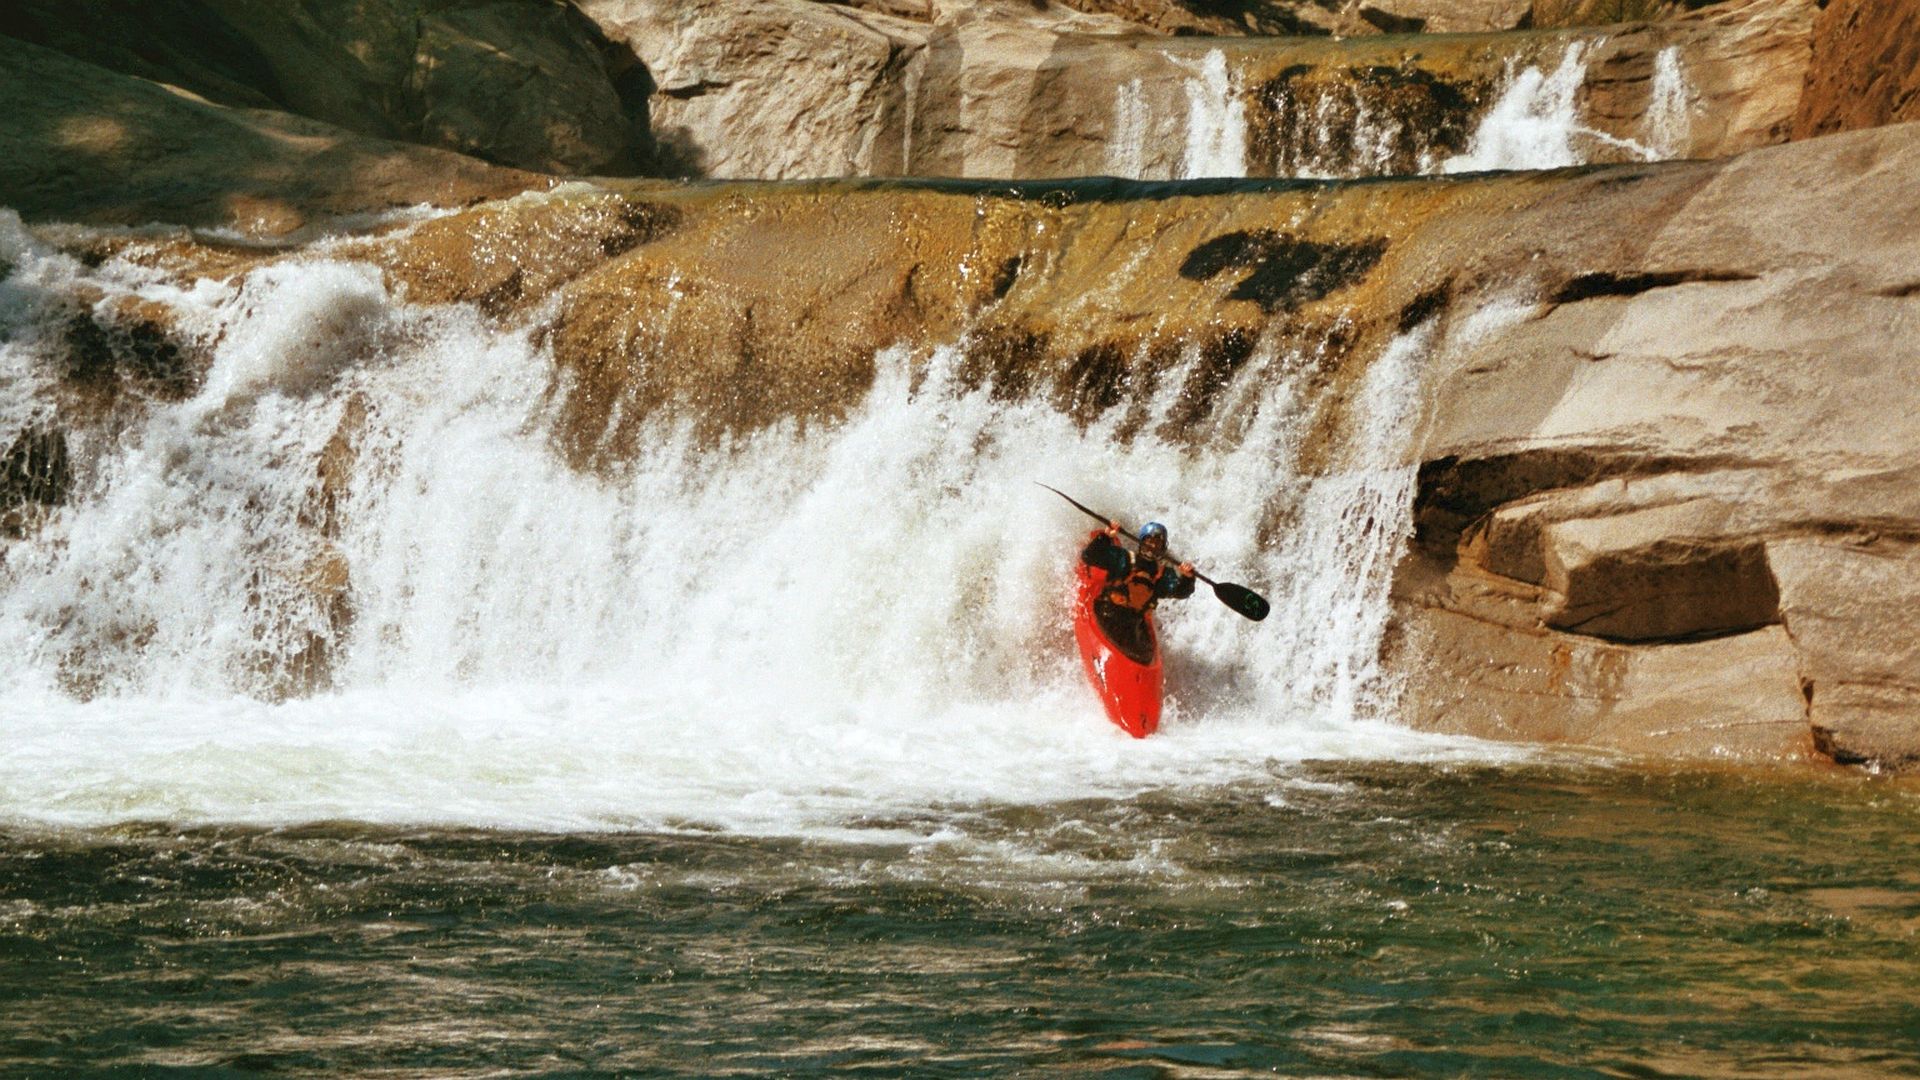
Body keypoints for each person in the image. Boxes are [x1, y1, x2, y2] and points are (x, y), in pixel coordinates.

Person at [1081, 520, 1196, 663]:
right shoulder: (1124, 559)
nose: (1153, 546)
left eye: (1157, 544)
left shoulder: (1163, 575)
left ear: (1163, 548)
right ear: (1141, 542)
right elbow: (1088, 556)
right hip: (1107, 614)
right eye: (1150, 541)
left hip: (1132, 623)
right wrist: (1106, 536)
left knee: (1144, 656)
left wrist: (1188, 578)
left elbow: (1180, 592)